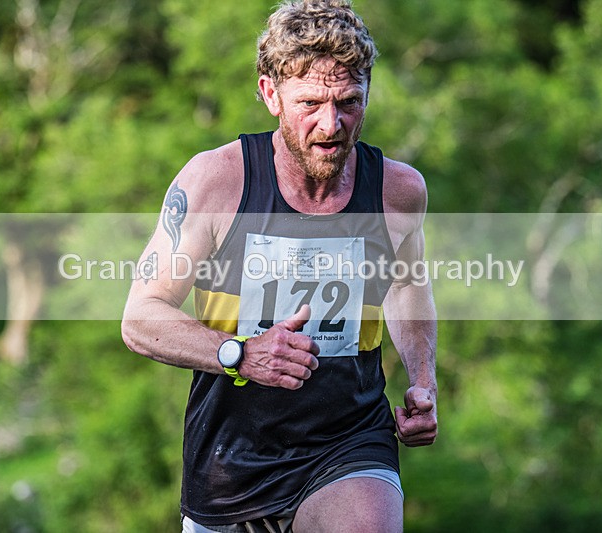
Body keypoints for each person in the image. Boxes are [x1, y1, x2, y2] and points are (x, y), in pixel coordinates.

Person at [121, 1, 437, 531]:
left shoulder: (398, 192)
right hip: (230, 462)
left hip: (349, 439)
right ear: (270, 94)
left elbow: (406, 286)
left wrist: (423, 380)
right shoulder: (217, 182)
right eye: (310, 103)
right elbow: (140, 317)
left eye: (349, 102)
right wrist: (241, 354)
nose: (331, 125)